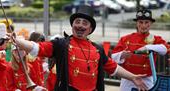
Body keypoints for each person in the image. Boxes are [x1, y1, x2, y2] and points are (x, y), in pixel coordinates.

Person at [11, 5, 148, 91]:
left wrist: (133, 77)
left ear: (90, 29)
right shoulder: (61, 44)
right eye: (77, 22)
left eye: (84, 23)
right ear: (72, 25)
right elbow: (37, 48)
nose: (80, 25)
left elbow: (113, 67)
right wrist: (18, 41)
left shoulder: (98, 49)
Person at [111, 9, 169, 91]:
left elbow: (166, 49)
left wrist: (148, 47)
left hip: (147, 79)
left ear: (151, 23)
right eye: (140, 22)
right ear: (137, 23)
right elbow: (112, 57)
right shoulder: (125, 38)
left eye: (146, 22)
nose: (143, 25)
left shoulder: (156, 39)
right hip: (128, 79)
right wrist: (121, 55)